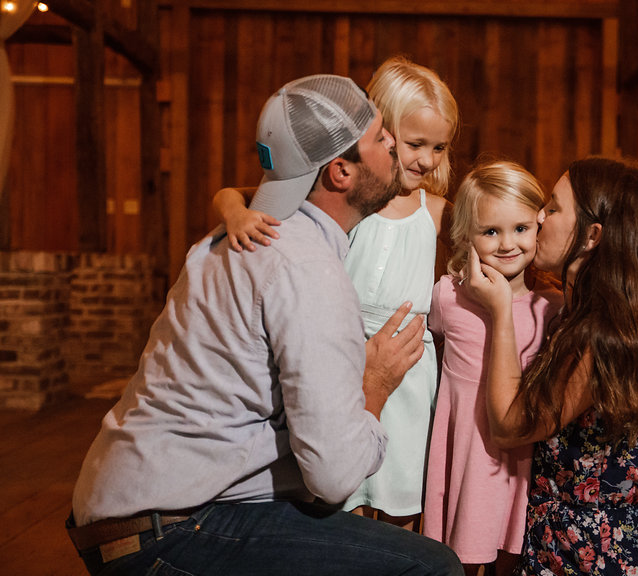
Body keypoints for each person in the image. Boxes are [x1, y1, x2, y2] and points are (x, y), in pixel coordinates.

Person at [67, 74, 462, 576]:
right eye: (383, 139)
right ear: (341, 172)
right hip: (170, 527)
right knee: (430, 567)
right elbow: (336, 476)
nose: (398, 152)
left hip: (127, 504)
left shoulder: (240, 234)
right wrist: (376, 384)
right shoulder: (307, 269)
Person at [213, 57, 457, 532]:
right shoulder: (354, 196)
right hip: (340, 359)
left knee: (400, 503)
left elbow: (491, 241)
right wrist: (233, 214)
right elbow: (233, 192)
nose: (427, 160)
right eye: (414, 144)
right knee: (339, 502)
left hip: (407, 371)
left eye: (439, 147)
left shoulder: (437, 213)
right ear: (382, 131)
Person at [464, 156, 638, 575]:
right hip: (574, 543)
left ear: (592, 236)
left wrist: (501, 311)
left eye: (553, 208)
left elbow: (509, 424)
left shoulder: (615, 334)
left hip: (593, 554)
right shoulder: (609, 316)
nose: (539, 217)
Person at [422, 161, 562, 575]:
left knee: (512, 560)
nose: (507, 244)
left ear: (539, 226)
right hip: (466, 458)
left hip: (521, 465)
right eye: (490, 232)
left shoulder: (551, 308)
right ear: (466, 237)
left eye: (520, 228)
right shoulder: (448, 297)